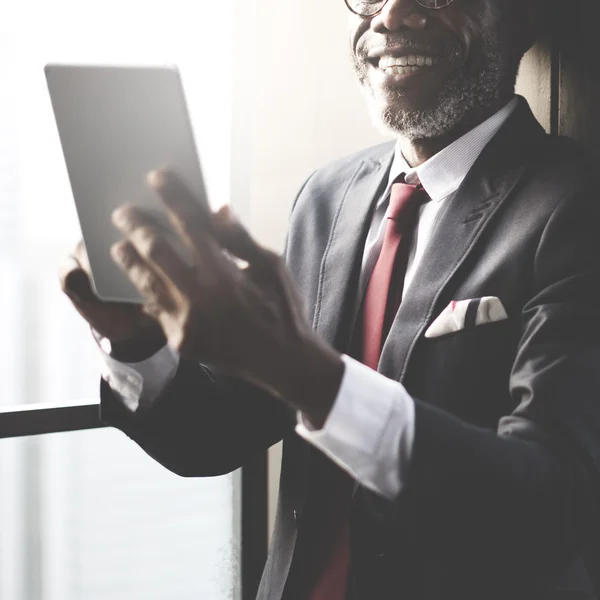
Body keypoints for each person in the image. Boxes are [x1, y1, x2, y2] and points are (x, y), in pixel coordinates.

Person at [59, 0, 600, 597]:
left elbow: (553, 508)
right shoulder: (327, 196)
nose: (392, 14)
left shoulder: (576, 208)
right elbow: (217, 434)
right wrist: (136, 344)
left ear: (523, 16)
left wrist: (297, 368)